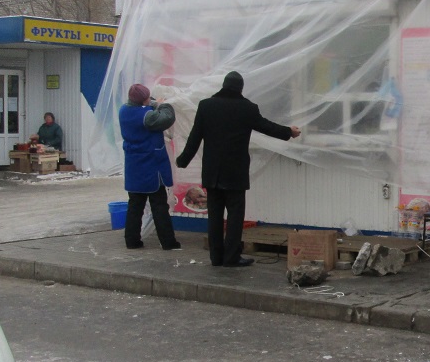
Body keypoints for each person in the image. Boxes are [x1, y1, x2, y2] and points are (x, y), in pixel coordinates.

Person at [176, 71, 301, 267]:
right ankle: (231, 257)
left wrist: (182, 160)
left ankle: (216, 257)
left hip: (212, 173)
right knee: (235, 216)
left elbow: (195, 138)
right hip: (235, 172)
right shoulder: (247, 108)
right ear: (240, 89)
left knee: (215, 216)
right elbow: (266, 127)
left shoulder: (206, 106)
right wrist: (289, 132)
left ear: (223, 85)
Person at [119, 84, 180, 251]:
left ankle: (131, 240)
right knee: (159, 205)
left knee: (135, 206)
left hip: (133, 166)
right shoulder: (147, 116)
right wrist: (161, 104)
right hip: (151, 166)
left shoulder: (123, 110)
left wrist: (150, 103)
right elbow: (167, 117)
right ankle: (168, 242)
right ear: (143, 100)